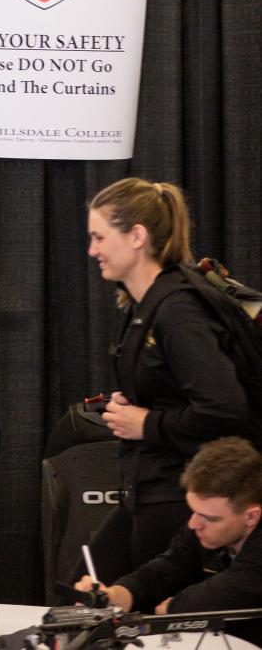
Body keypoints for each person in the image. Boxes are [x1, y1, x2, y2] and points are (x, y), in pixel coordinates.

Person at [87, 177, 252, 582]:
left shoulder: (178, 312)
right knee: (80, 602)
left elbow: (225, 409)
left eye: (99, 237)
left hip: (176, 495)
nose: (92, 250)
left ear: (137, 236)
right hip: (148, 486)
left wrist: (146, 423)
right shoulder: (149, 304)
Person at [75, 436, 262, 645]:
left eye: (210, 518)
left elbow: (227, 592)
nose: (193, 524)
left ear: (251, 516)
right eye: (193, 511)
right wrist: (115, 596)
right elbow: (166, 569)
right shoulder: (201, 526)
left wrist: (172, 608)